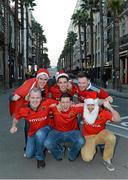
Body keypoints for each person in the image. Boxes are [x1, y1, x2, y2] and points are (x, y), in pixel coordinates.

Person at [10, 87, 57, 168]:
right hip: (32, 132)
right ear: (29, 98)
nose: (35, 100)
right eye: (33, 97)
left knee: (40, 134)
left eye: (37, 98)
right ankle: (41, 146)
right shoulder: (24, 109)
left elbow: (63, 103)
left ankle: (40, 158)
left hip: (46, 129)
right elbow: (16, 118)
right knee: (29, 155)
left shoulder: (47, 102)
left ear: (41, 98)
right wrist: (13, 126)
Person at [9, 68, 50, 150]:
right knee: (28, 126)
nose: (43, 81)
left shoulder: (46, 86)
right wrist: (14, 97)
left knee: (43, 124)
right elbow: (14, 95)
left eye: (45, 79)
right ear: (37, 78)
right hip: (27, 108)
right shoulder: (29, 83)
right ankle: (27, 144)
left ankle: (43, 143)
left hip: (39, 109)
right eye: (40, 79)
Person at [81, 98, 120, 171]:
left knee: (111, 137)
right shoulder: (84, 110)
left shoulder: (104, 113)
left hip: (100, 134)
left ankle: (107, 159)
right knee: (87, 158)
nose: (91, 107)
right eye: (90, 105)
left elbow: (118, 119)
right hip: (88, 137)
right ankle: (91, 147)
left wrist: (110, 108)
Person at [44, 93, 85, 161]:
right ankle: (60, 151)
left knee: (81, 141)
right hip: (57, 131)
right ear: (59, 102)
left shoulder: (75, 108)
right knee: (47, 143)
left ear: (71, 103)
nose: (65, 105)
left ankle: (72, 154)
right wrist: (56, 104)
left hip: (73, 131)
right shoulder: (54, 108)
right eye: (63, 102)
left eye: (67, 102)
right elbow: (44, 104)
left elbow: (89, 104)